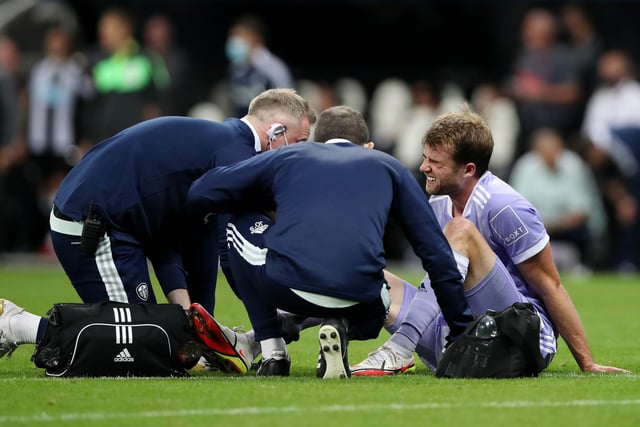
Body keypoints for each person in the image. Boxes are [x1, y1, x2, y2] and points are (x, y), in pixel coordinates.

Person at [0, 88, 315, 362]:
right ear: (275, 132)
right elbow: (233, 255)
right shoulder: (234, 155)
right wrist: (269, 330)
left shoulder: (219, 147)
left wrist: (189, 318)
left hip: (120, 225)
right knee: (140, 343)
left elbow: (168, 236)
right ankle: (21, 325)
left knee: (166, 341)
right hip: (94, 223)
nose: (300, 154)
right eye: (299, 142)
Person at [186, 104, 474, 378]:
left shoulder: (293, 155)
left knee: (239, 217)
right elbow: (436, 254)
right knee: (357, 279)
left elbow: (202, 191)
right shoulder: (389, 166)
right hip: (369, 302)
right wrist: (460, 331)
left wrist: (268, 199)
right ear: (368, 147)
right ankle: (340, 324)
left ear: (318, 142)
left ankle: (272, 348)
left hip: (288, 287)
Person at [350, 105, 628, 376]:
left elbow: (551, 285)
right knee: (362, 268)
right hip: (460, 337)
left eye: (435, 162)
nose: (423, 167)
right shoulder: (438, 203)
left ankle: (400, 347)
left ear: (468, 170)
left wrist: (587, 362)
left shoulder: (504, 206)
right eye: (425, 158)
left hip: (521, 339)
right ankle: (329, 341)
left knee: (461, 231)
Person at [509, 128, 606, 272]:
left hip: (566, 229)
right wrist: (541, 225)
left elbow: (582, 211)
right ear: (537, 151)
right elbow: (516, 208)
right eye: (546, 150)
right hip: (535, 228)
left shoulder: (574, 165)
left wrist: (554, 224)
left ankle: (582, 266)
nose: (552, 154)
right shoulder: (525, 167)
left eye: (556, 149)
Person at [225, 14, 294, 117]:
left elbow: (289, 103)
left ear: (256, 38)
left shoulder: (274, 67)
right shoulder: (236, 68)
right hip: (241, 125)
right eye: (232, 36)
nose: (234, 41)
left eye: (239, 36)